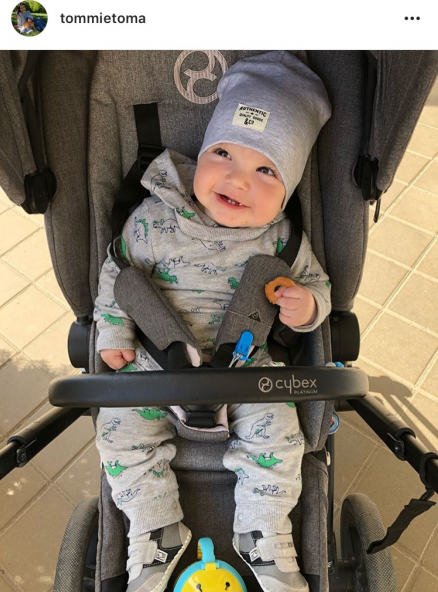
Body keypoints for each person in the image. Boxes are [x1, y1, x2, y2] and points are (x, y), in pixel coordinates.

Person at [94, 51, 332, 592]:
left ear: (289, 187)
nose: (236, 179)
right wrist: (113, 330)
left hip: (247, 369)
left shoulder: (281, 239)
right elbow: (118, 272)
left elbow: (316, 284)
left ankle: (262, 533)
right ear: (201, 155)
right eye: (222, 153)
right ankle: (155, 528)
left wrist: (306, 304)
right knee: (118, 432)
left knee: (280, 439)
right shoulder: (154, 218)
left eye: (265, 170)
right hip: (155, 366)